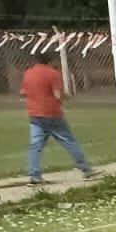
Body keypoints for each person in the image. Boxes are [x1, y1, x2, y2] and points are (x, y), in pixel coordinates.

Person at [21, 48, 95, 183]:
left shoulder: (28, 73)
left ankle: (34, 175)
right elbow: (57, 94)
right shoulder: (52, 73)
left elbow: (24, 93)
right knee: (68, 141)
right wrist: (68, 97)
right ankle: (85, 169)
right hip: (52, 113)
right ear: (50, 61)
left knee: (35, 145)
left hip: (34, 114)